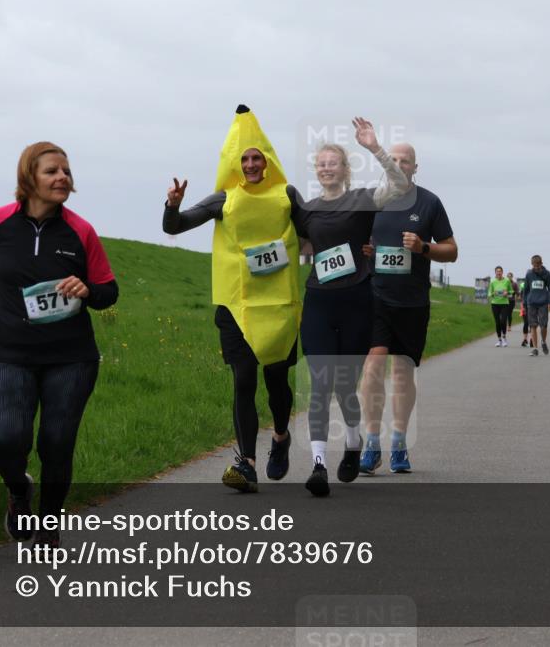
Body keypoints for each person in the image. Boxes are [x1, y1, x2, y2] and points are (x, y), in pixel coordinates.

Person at [0, 141, 119, 548]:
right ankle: (17, 491)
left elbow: (108, 290)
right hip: (8, 352)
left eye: (66, 171)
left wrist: (86, 290)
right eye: (52, 171)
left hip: (70, 357)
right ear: (29, 178)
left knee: (56, 443)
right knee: (7, 437)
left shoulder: (80, 231)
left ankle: (49, 521)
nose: (63, 177)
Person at [163, 105, 302, 493]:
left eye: (257, 157)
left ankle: (280, 436)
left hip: (276, 307)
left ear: (268, 160)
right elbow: (175, 225)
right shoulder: (223, 199)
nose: (252, 164)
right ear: (235, 164)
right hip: (235, 305)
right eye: (245, 159)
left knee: (276, 383)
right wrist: (172, 204)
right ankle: (246, 463)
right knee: (243, 379)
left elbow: (315, 229)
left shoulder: (286, 195)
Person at [296, 119, 409, 496]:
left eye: (334, 163)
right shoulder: (307, 210)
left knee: (345, 386)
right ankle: (317, 465)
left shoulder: (361, 199)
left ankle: (353, 444)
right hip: (319, 303)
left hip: (357, 301)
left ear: (345, 169)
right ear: (316, 171)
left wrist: (374, 147)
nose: (327, 168)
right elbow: (294, 247)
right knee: (320, 384)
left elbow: (400, 186)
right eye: (321, 164)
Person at [358, 143, 457, 474]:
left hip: (412, 302)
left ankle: (398, 441)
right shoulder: (373, 203)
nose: (399, 165)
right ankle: (372, 443)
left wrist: (424, 246)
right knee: (372, 367)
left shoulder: (429, 203)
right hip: (375, 298)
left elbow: (452, 250)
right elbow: (352, 241)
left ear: (415, 168)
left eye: (405, 161)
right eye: (394, 160)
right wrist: (365, 252)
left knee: (402, 373)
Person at [522, 255, 550, 357]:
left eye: (538, 265)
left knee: (543, 325)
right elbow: (526, 290)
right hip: (531, 303)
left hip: (543, 303)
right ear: (532, 264)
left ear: (541, 263)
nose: (536, 267)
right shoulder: (529, 274)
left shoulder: (547, 274)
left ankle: (543, 342)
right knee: (533, 325)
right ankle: (535, 348)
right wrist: (524, 303)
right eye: (534, 265)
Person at [488, 266, 513, 347]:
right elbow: (489, 293)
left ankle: (504, 338)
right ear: (495, 273)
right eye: (497, 271)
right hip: (495, 304)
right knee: (497, 322)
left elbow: (511, 291)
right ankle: (499, 340)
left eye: (500, 271)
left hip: (504, 303)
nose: (498, 273)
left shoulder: (507, 281)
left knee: (503, 321)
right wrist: (493, 294)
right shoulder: (492, 282)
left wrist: (507, 293)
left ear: (502, 272)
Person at [518, 278, 530, 347]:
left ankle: (532, 340)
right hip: (524, 306)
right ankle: (525, 340)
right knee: (526, 323)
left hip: (533, 306)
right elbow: (520, 297)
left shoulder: (534, 287)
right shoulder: (523, 286)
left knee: (532, 324)